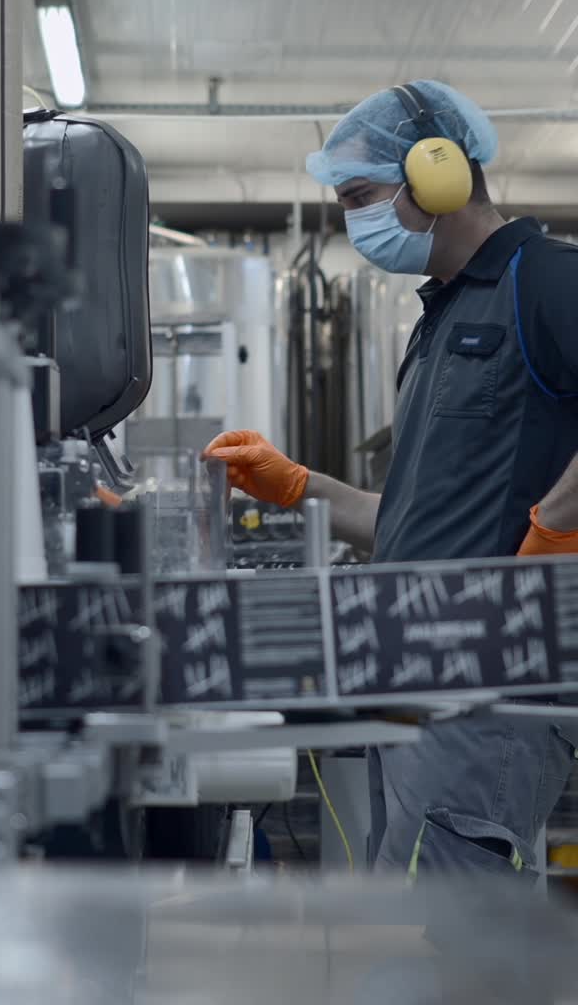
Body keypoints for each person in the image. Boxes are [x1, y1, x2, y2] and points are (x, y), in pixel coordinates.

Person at [204, 80, 578, 881]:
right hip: (420, 689)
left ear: (438, 172)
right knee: (417, 932)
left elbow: (523, 528)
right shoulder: (438, 318)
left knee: (450, 953)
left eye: (362, 196)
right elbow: (417, 524)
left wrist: (556, 530)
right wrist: (300, 486)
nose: (354, 221)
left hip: (488, 694)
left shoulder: (546, 282)